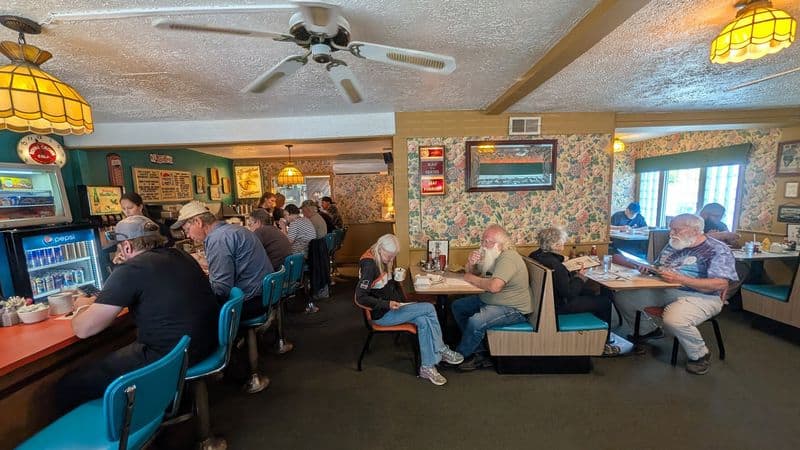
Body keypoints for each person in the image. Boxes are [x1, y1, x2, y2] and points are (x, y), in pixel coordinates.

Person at [57, 215, 218, 412]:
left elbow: (84, 329)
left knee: (68, 385)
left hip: (169, 358)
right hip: (205, 345)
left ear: (126, 247)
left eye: (118, 247)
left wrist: (78, 309)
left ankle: (115, 434)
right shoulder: (181, 255)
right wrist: (96, 299)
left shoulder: (131, 269)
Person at [614, 213, 737, 375]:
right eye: (671, 229)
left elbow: (720, 284)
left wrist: (681, 279)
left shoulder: (717, 249)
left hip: (702, 296)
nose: (671, 233)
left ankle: (700, 355)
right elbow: (658, 267)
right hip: (665, 288)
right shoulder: (674, 244)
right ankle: (648, 331)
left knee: (674, 319)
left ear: (694, 230)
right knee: (624, 297)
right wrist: (648, 269)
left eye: (676, 230)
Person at [356, 234, 463, 385]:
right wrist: (387, 304)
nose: (391, 259)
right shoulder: (370, 265)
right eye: (389, 255)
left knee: (424, 320)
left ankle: (426, 367)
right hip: (383, 314)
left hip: (393, 308)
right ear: (380, 249)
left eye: (394, 256)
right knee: (429, 308)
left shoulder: (380, 256)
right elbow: (360, 298)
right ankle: (441, 349)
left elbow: (382, 286)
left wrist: (395, 279)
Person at [172, 201, 273, 320]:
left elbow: (221, 289)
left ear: (198, 222)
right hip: (265, 295)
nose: (188, 235)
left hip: (251, 302)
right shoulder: (234, 229)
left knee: (190, 310)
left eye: (187, 230)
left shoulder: (218, 239)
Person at [451, 224, 532, 371]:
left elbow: (494, 286)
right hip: (491, 300)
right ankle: (479, 352)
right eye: (482, 240)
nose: (482, 245)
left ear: (498, 244)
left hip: (513, 308)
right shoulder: (494, 256)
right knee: (458, 306)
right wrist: (471, 264)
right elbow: (477, 274)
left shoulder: (508, 258)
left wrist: (470, 277)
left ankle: (460, 356)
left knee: (476, 321)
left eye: (486, 241)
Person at [529, 227, 618, 356]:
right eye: (562, 242)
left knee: (591, 294)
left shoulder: (535, 255)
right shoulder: (555, 264)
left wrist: (563, 262)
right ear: (556, 244)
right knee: (604, 302)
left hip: (544, 300)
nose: (564, 244)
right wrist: (581, 277)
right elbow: (569, 293)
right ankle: (604, 343)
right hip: (559, 305)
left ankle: (595, 336)